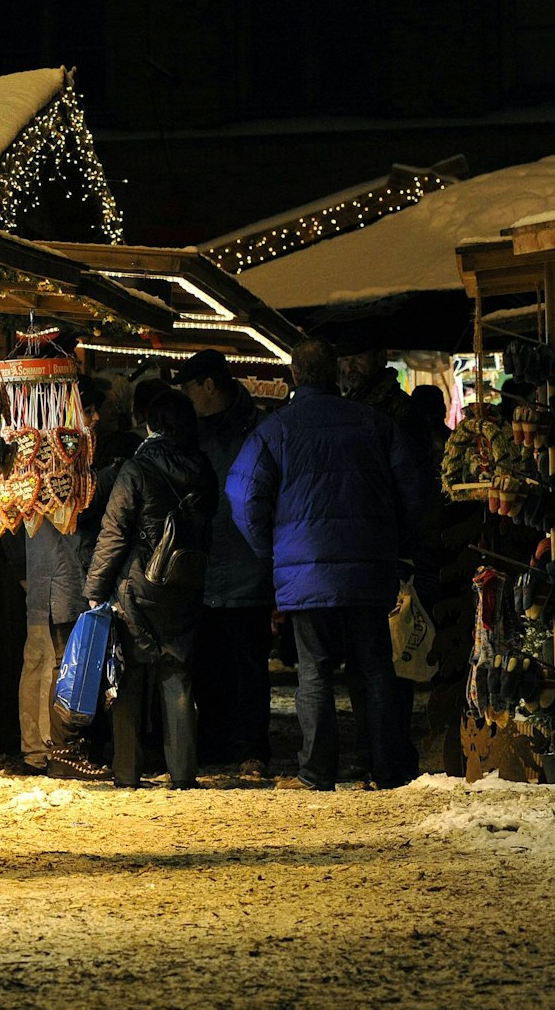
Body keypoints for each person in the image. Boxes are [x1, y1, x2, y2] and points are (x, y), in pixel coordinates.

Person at [228, 339, 435, 792]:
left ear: (295, 376)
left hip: (305, 571)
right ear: (336, 374)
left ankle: (317, 771)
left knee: (314, 670)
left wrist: (273, 551)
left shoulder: (275, 430)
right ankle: (387, 768)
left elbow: (242, 496)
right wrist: (396, 542)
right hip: (370, 566)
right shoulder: (374, 423)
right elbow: (416, 488)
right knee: (375, 666)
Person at [83, 389, 217, 790]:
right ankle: (183, 773)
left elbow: (114, 533)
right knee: (177, 672)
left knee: (127, 678)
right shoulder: (203, 468)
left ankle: (127, 771)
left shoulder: (136, 469)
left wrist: (95, 587)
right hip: (185, 584)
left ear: (152, 425)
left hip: (138, 585)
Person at [174, 349, 276, 778]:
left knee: (248, 666)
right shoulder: (191, 432)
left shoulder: (260, 430)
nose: (186, 399)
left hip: (247, 567)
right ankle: (216, 744)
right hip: (202, 570)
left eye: (189, 390)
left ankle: (251, 747)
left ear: (209, 386)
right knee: (208, 665)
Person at [20, 375, 116, 781]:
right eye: (88, 411)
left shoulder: (53, 462)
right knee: (58, 665)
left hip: (54, 578)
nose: (95, 419)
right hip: (59, 580)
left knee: (51, 663)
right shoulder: (60, 466)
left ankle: (47, 750)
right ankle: (55, 751)